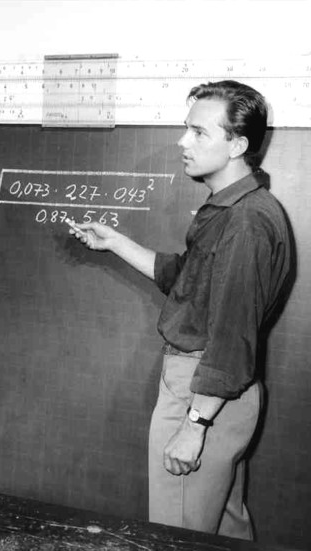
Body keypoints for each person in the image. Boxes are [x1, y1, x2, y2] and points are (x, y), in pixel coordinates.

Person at [68, 80, 291, 539]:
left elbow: (231, 334)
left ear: (237, 145)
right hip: (219, 392)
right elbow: (188, 281)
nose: (182, 141)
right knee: (221, 530)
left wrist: (194, 425)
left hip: (203, 391)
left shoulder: (245, 222)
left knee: (178, 535)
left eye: (199, 132)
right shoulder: (235, 208)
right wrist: (116, 243)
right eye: (186, 128)